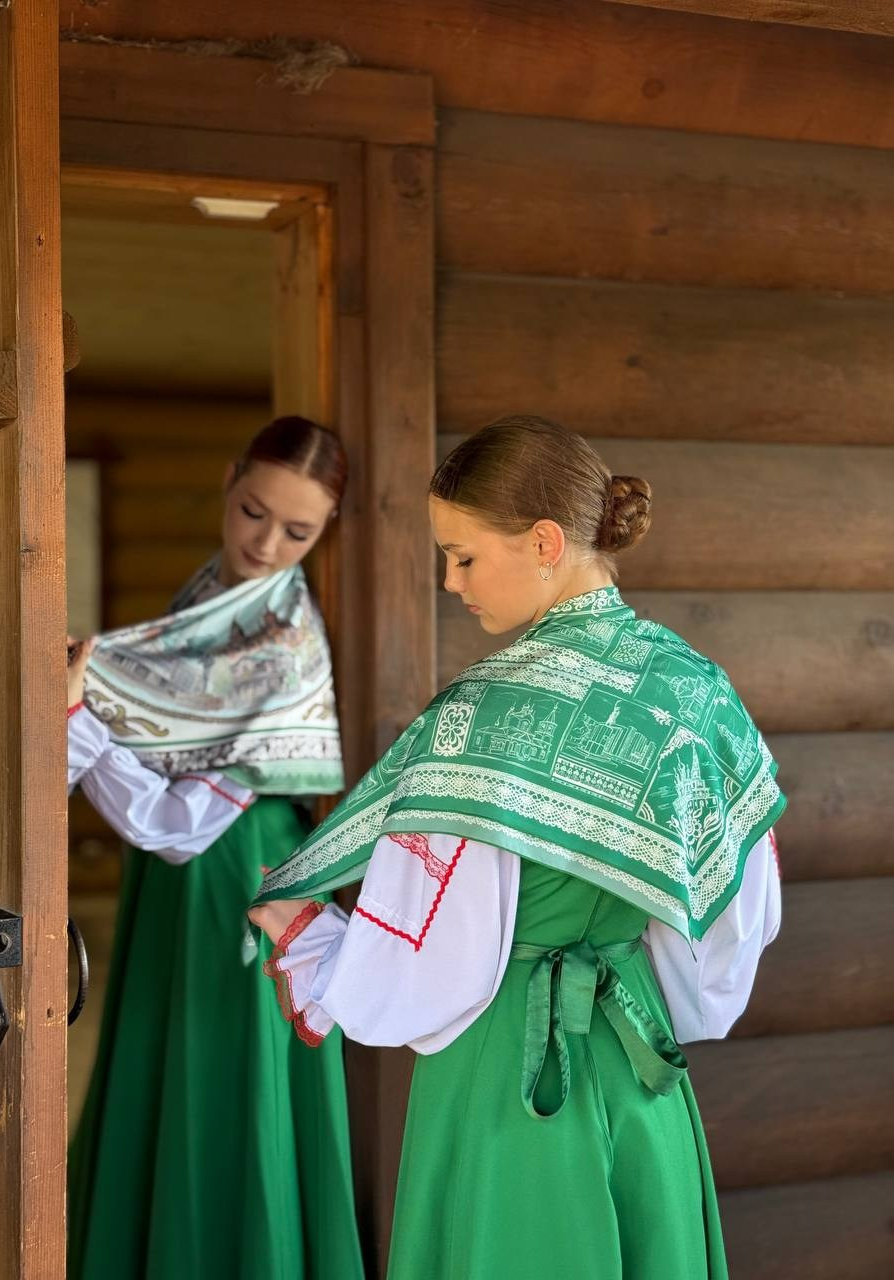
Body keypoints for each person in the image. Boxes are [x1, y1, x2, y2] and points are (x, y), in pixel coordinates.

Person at [248, 415, 785, 1280]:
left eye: (463, 555)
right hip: (639, 1064)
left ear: (543, 542)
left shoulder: (482, 716)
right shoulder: (696, 688)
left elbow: (426, 967)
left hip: (506, 1079)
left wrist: (309, 939)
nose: (449, 580)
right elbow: (733, 920)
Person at [67, 417, 364, 1280]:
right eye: (252, 511)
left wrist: (78, 720)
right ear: (229, 482)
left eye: (297, 532)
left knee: (224, 1088)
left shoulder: (281, 644)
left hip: (235, 871)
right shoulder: (205, 598)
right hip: (182, 876)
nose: (265, 543)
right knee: (170, 1065)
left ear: (324, 534)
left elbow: (174, 825)